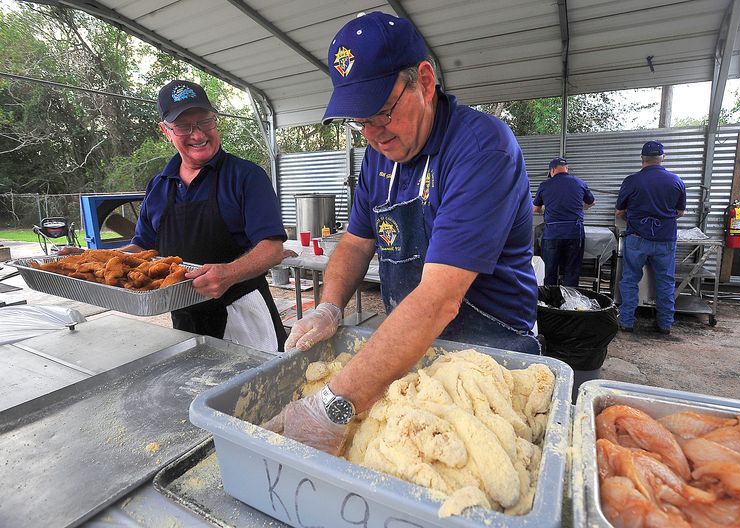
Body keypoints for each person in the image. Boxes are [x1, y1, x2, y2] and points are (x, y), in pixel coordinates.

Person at [266, 12, 539, 454]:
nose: (372, 135)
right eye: (360, 123)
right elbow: (355, 243)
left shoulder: (481, 148)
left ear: (425, 82)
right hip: (408, 349)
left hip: (493, 355)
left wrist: (333, 405)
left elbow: (438, 299)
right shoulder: (379, 156)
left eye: (382, 113)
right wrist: (330, 306)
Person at [99, 80, 288, 351]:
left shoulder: (246, 177)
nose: (198, 135)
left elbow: (272, 249)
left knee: (261, 389)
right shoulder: (159, 184)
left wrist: (230, 273)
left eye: (204, 122)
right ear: (166, 131)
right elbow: (143, 246)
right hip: (185, 317)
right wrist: (97, 261)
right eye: (184, 127)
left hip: (244, 312)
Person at [615, 141, 686, 335]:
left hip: (637, 238)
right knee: (665, 282)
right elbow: (680, 212)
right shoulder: (676, 181)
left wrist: (633, 216)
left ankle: (627, 321)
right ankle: (665, 324)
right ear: (662, 158)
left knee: (630, 279)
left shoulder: (632, 181)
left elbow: (619, 212)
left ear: (642, 159)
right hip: (665, 239)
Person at [533, 157, 595, 286]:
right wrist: (580, 206)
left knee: (549, 271)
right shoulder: (580, 183)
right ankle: (569, 303)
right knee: (572, 271)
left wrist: (548, 208)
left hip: (552, 234)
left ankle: (549, 302)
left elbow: (536, 209)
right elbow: (591, 202)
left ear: (552, 170)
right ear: (566, 168)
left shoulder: (545, 185)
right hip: (574, 233)